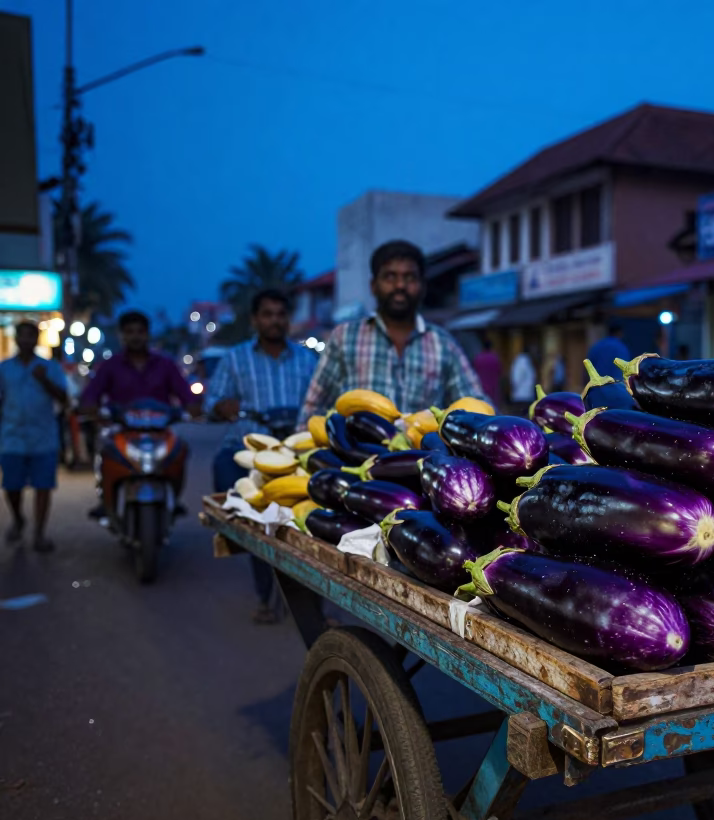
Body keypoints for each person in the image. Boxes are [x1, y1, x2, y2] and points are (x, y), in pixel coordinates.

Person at [204, 289, 318, 624]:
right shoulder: (235, 358)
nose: (274, 321)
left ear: (288, 319)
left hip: (295, 450)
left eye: (280, 314)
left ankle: (315, 601)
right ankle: (262, 592)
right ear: (255, 320)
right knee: (246, 510)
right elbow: (213, 403)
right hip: (248, 450)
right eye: (267, 314)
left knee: (318, 513)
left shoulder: (307, 360)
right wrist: (224, 407)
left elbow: (320, 404)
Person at [299, 240, 485, 421]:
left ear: (422, 286)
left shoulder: (443, 344)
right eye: (390, 277)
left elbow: (475, 403)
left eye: (409, 277)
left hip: (423, 451)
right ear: (373, 286)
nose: (400, 286)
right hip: (357, 451)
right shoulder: (344, 339)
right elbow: (313, 409)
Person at [80, 311, 199, 518]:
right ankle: (106, 499)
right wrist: (91, 408)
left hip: (159, 431)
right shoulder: (110, 366)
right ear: (122, 335)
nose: (135, 336)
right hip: (122, 430)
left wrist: (193, 408)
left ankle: (174, 498)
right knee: (105, 454)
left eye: (140, 331)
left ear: (147, 334)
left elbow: (187, 396)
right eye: (129, 332)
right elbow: (91, 395)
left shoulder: (165, 365)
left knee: (180, 451)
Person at [0, 321, 69, 551]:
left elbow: (64, 398)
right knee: (11, 487)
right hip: (12, 436)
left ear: (37, 339)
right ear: (17, 338)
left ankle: (39, 533)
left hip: (43, 437)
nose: (27, 340)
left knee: (43, 487)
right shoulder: (5, 368)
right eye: (23, 336)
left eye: (32, 336)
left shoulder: (50, 368)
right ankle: (19, 519)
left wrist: (44, 380)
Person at [472, 338, 503, 408]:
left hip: (481, 387)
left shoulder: (478, 358)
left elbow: (473, 373)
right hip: (493, 388)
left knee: (482, 406)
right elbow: (500, 372)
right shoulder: (494, 358)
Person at [509, 347, 537, 413]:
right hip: (522, 394)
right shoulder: (522, 362)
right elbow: (516, 377)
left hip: (523, 394)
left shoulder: (525, 361)